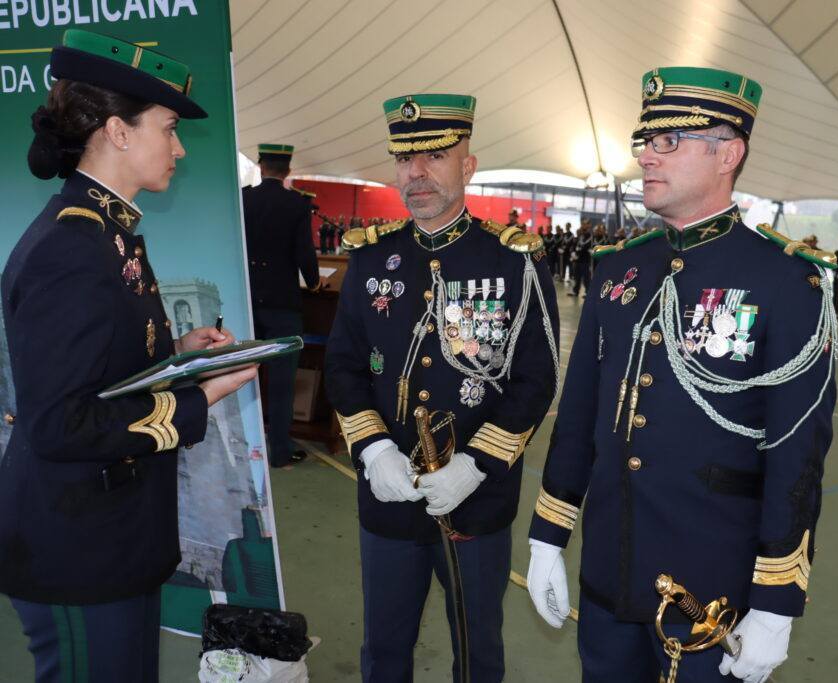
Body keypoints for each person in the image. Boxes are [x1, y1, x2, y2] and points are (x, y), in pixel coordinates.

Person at [526, 66, 837, 683]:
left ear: (728, 154)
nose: (646, 156)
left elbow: (797, 453)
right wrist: (547, 537)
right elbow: (579, 418)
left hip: (710, 595)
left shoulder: (785, 281)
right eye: (645, 141)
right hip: (609, 576)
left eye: (668, 141)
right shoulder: (619, 270)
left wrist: (776, 601)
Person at [0, 29, 257, 682]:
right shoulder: (71, 248)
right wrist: (201, 397)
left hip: (112, 536)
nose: (178, 147)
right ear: (117, 131)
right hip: (77, 548)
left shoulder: (109, 234)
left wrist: (179, 354)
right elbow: (60, 423)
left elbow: (102, 368)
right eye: (168, 129)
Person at [324, 93, 559, 682]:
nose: (417, 173)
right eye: (405, 159)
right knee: (383, 651)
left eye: (434, 156)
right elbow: (344, 365)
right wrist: (373, 448)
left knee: (478, 655)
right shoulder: (373, 258)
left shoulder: (513, 262)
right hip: (388, 497)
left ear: (468, 166)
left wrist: (477, 465)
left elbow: (537, 378)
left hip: (475, 501)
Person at [243, 144, 322, 467]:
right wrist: (314, 283)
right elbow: (304, 251)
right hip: (282, 304)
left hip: (247, 301)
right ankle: (279, 451)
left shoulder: (244, 199)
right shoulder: (297, 204)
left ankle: (243, 446)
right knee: (281, 383)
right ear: (287, 170)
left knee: (239, 375)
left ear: (260, 166)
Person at [569, 218, 594, 297]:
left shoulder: (590, 236)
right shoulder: (580, 235)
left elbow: (586, 246)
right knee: (577, 276)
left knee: (586, 277)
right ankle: (575, 291)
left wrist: (578, 253)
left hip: (585, 259)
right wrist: (573, 252)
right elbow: (576, 244)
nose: (583, 225)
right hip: (577, 259)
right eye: (582, 224)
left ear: (589, 225)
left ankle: (588, 292)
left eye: (585, 224)